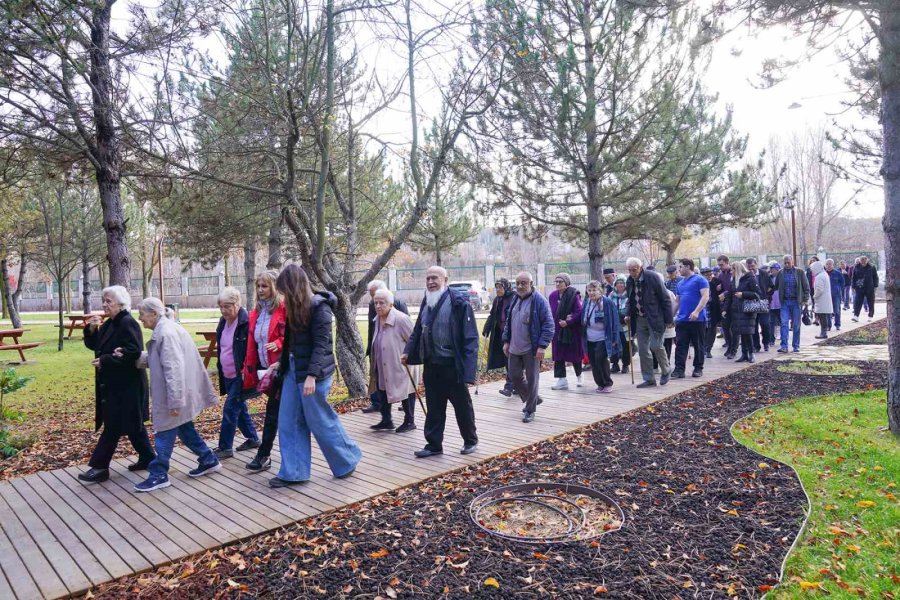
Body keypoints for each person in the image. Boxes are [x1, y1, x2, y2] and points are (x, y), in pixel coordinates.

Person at [270, 265, 362, 487]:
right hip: (294, 370)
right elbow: (292, 343)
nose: (282, 297)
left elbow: (322, 345)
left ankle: (346, 460)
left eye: (284, 291)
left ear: (294, 288)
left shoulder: (320, 308)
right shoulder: (295, 307)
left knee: (319, 420)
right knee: (288, 421)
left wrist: (311, 376)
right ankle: (294, 472)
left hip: (314, 374)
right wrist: (280, 365)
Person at [131, 298, 220, 492]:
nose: (140, 318)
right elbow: (161, 358)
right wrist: (133, 357)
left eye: (142, 314)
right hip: (178, 392)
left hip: (174, 393)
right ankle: (208, 459)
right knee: (184, 427)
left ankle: (159, 473)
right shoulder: (166, 329)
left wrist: (175, 401)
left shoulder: (166, 333)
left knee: (165, 430)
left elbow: (174, 369)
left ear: (154, 313)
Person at [78, 286, 156, 484]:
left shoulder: (128, 323)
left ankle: (99, 467)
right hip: (115, 386)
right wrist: (91, 330)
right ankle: (148, 458)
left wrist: (105, 361)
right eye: (104, 300)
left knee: (112, 426)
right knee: (134, 426)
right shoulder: (111, 323)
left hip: (127, 387)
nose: (104, 304)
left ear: (121, 303)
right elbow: (96, 346)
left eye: (109, 301)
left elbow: (133, 353)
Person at [403, 266, 479, 457]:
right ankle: (433, 445)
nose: (430, 282)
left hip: (453, 367)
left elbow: (471, 338)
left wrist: (469, 372)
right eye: (428, 278)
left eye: (434, 278)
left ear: (445, 279)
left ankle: (470, 441)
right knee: (434, 407)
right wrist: (407, 352)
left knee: (462, 406)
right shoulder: (426, 301)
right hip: (432, 365)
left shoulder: (459, 303)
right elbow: (418, 330)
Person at [240, 270, 287, 472]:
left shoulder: (284, 309)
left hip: (282, 370)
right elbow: (252, 343)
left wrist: (279, 342)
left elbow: (294, 337)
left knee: (273, 414)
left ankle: (264, 454)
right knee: (274, 414)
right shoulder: (256, 313)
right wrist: (247, 368)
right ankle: (265, 454)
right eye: (258, 286)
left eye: (265, 286)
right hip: (265, 370)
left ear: (275, 287)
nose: (260, 290)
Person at [213, 287, 260, 460]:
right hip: (227, 373)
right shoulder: (222, 322)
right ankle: (253, 438)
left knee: (230, 409)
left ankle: (225, 447)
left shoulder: (246, 323)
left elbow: (252, 350)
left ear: (237, 304)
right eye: (221, 306)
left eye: (227, 306)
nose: (224, 310)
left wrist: (247, 371)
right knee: (239, 408)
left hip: (242, 375)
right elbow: (223, 347)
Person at [502, 272, 554, 422]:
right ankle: (533, 398)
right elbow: (508, 323)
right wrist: (506, 341)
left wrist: (542, 346)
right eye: (517, 283)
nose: (520, 286)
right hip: (514, 347)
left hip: (531, 349)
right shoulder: (514, 299)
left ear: (531, 284)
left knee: (532, 380)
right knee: (514, 376)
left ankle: (530, 410)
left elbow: (549, 325)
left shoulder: (539, 301)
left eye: (523, 283)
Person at [368, 288, 419, 433]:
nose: (378, 306)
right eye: (375, 303)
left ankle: (410, 421)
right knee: (382, 389)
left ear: (391, 304)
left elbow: (414, 341)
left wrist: (409, 356)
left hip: (401, 364)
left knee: (406, 390)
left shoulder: (401, 319)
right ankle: (386, 420)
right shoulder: (378, 318)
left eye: (381, 303)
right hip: (382, 363)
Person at [625, 257, 673, 388]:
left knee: (656, 346)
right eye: (629, 270)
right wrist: (628, 313)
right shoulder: (630, 280)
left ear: (640, 267)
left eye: (634, 270)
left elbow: (665, 299)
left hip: (655, 318)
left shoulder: (652, 277)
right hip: (639, 319)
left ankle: (666, 370)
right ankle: (649, 378)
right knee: (642, 350)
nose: (632, 273)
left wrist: (669, 319)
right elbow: (630, 299)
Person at [363, 280, 408, 414]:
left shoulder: (398, 303)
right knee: (377, 377)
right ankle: (378, 405)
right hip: (377, 346)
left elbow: (406, 328)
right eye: (372, 297)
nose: (375, 302)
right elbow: (372, 325)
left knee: (398, 378)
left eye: (375, 296)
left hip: (395, 350)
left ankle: (406, 408)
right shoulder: (373, 305)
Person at [672, 258, 709, 378]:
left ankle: (698, 368)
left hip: (697, 320)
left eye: (681, 267)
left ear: (688, 267)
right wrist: (670, 316)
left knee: (698, 345)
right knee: (680, 345)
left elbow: (705, 297)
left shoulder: (700, 280)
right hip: (682, 320)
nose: (679, 270)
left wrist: (697, 311)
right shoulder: (680, 283)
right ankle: (679, 370)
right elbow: (677, 302)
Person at [581, 281, 620, 393]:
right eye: (589, 290)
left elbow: (614, 321)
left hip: (603, 337)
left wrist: (614, 338)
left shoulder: (607, 302)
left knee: (600, 358)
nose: (592, 293)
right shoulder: (587, 302)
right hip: (589, 337)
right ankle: (600, 383)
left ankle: (607, 383)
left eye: (594, 290)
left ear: (600, 291)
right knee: (593, 361)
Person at [548, 273, 584, 390]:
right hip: (557, 329)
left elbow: (579, 312)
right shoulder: (553, 296)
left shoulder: (573, 295)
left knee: (574, 354)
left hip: (571, 330)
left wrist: (568, 321)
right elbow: (551, 312)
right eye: (556, 281)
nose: (558, 284)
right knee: (558, 355)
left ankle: (579, 375)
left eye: (560, 282)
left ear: (567, 283)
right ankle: (562, 380)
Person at [483, 278, 515, 396]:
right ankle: (517, 385)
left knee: (511, 360)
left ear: (506, 287)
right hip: (500, 334)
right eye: (496, 287)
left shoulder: (514, 298)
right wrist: (487, 327)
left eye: (500, 287)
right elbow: (493, 315)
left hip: (512, 335)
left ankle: (509, 387)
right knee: (508, 360)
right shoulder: (497, 300)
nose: (497, 290)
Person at [774, 255, 809, 353]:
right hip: (785, 302)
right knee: (784, 323)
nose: (786, 264)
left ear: (792, 262)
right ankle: (784, 346)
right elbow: (775, 286)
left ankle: (796, 345)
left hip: (796, 302)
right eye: (785, 263)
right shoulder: (781, 273)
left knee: (796, 325)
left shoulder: (799, 272)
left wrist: (805, 300)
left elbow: (806, 287)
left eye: (788, 262)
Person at [729, 261, 763, 363]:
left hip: (748, 309)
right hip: (737, 310)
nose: (731, 272)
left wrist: (743, 294)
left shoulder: (750, 278)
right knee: (742, 332)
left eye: (732, 269)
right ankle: (744, 354)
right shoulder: (734, 279)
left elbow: (757, 294)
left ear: (737, 269)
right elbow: (731, 294)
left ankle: (751, 353)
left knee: (748, 332)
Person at [746, 258, 771, 352]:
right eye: (749, 267)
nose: (751, 268)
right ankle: (756, 346)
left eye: (752, 266)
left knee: (765, 324)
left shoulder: (764, 274)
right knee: (753, 326)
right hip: (751, 302)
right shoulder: (746, 275)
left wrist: (766, 296)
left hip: (763, 301)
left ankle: (766, 343)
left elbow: (771, 286)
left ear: (756, 264)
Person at [609, 277, 632, 374]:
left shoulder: (629, 295)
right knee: (613, 344)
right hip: (614, 324)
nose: (620, 285)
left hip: (625, 324)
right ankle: (614, 364)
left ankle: (625, 365)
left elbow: (631, 308)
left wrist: (627, 315)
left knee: (626, 345)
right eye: (618, 283)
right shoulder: (611, 295)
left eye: (622, 283)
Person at [716, 255, 735, 355]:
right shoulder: (720, 275)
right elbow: (720, 288)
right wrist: (719, 288)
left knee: (734, 328)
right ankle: (729, 345)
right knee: (725, 327)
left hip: (734, 303)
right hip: (724, 304)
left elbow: (736, 288)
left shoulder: (734, 272)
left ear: (728, 262)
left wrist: (725, 293)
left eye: (722, 265)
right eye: (719, 265)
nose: (720, 267)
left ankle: (733, 348)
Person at [851, 256, 879, 322]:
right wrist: (853, 286)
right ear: (860, 261)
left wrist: (875, 286)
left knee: (870, 302)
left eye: (864, 262)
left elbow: (875, 277)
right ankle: (856, 316)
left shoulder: (872, 267)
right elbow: (853, 277)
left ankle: (870, 316)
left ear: (867, 261)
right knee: (857, 302)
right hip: (859, 287)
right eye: (862, 262)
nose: (863, 263)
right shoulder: (856, 267)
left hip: (869, 287)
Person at [701, 266, 720, 359]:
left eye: (710, 274)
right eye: (707, 275)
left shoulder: (715, 282)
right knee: (703, 330)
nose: (709, 276)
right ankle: (703, 348)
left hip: (713, 309)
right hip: (702, 309)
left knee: (712, 330)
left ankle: (708, 349)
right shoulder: (699, 283)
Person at [810, 261, 834, 338]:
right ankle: (823, 332)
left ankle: (823, 333)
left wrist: (814, 296)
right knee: (824, 317)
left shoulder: (819, 277)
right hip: (825, 300)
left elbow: (819, 289)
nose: (812, 271)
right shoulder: (824, 274)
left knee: (822, 317)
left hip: (821, 301)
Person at [824, 259, 843, 331]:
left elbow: (842, 283)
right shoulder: (824, 274)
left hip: (836, 295)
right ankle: (829, 325)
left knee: (837, 310)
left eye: (830, 264)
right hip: (826, 295)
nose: (828, 265)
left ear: (833, 265)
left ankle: (837, 324)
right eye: (827, 264)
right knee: (828, 311)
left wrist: (839, 291)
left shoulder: (838, 273)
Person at [768, 262, 782, 346]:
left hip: (780, 304)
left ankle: (783, 338)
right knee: (771, 322)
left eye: (776, 270)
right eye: (772, 269)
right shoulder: (769, 278)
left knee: (782, 321)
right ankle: (771, 339)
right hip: (771, 303)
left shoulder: (781, 278)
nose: (774, 271)